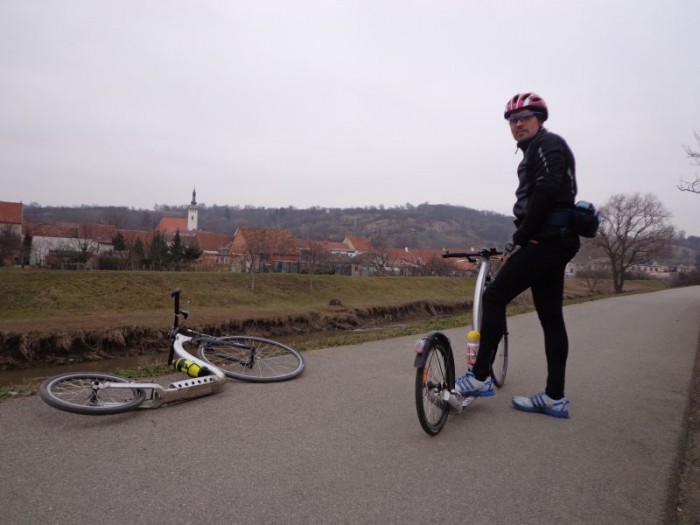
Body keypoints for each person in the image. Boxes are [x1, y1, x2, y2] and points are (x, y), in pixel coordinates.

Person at [453, 92, 580, 418]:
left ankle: (479, 377)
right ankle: (555, 397)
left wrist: (521, 239)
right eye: (512, 120)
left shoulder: (547, 145)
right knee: (551, 319)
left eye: (525, 117)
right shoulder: (536, 150)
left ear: (540, 119)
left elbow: (548, 190)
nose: (518, 124)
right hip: (555, 240)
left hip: (546, 240)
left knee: (494, 298)